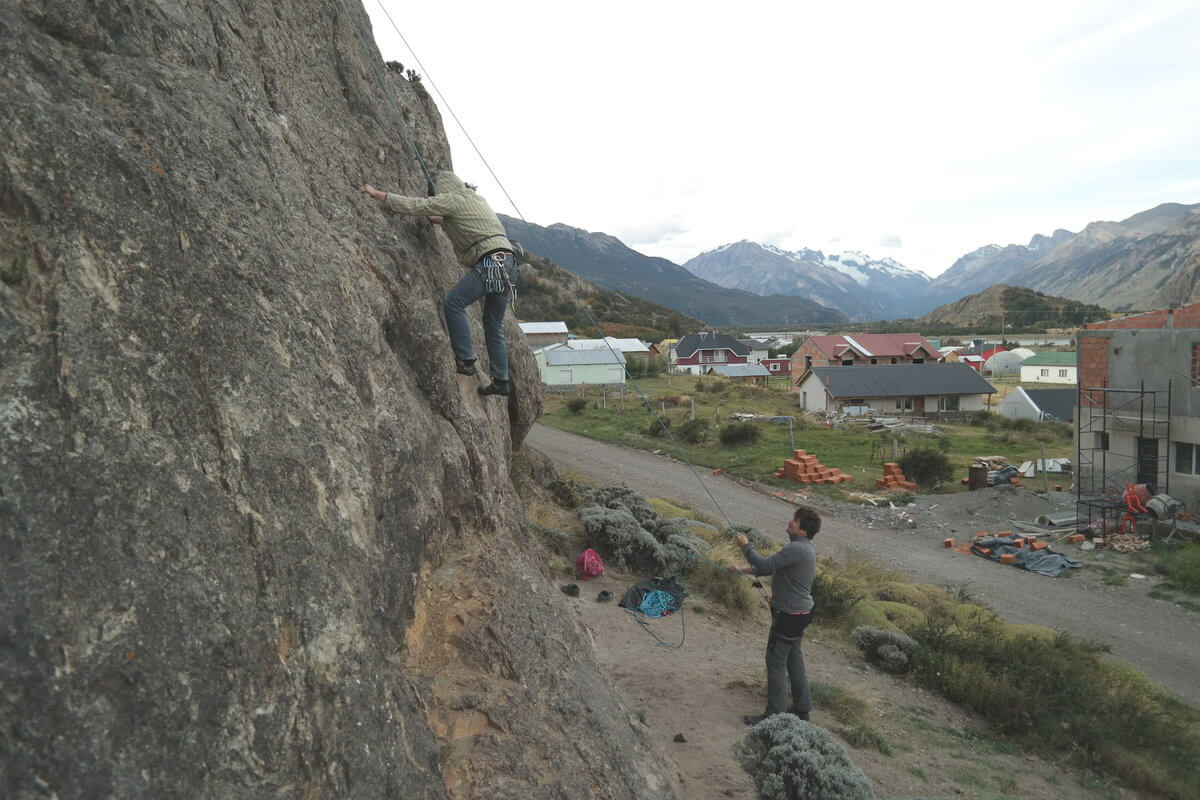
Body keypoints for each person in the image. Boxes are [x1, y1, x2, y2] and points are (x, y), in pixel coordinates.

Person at [360, 171, 516, 396]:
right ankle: (501, 381)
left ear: (443, 189)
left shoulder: (451, 199)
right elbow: (466, 220)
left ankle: (465, 360)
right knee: (493, 325)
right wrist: (443, 220)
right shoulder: (476, 199)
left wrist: (377, 194)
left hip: (491, 263)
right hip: (509, 264)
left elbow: (416, 205)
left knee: (453, 303)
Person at [727, 506, 819, 725]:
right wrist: (740, 570)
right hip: (799, 614)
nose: (789, 522)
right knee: (794, 660)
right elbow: (770, 569)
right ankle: (802, 709)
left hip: (788, 616)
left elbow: (764, 563)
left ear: (803, 531)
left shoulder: (797, 549)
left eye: (794, 521)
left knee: (776, 661)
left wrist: (746, 546)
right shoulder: (801, 548)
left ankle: (774, 714)